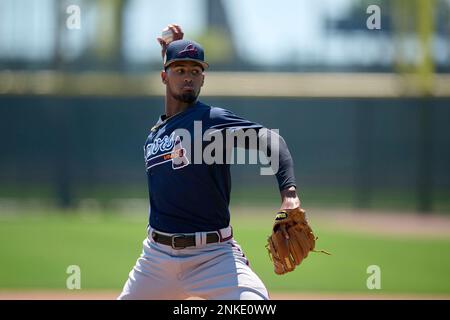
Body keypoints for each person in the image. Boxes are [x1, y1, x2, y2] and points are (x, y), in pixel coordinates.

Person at [118, 24, 300, 300]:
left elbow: (270, 140)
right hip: (156, 259)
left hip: (213, 256)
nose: (188, 77)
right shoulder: (156, 133)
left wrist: (289, 195)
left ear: (203, 79)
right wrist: (172, 51)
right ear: (164, 76)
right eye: (180, 70)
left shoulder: (211, 120)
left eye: (195, 71)